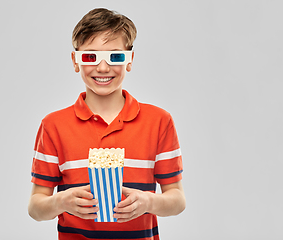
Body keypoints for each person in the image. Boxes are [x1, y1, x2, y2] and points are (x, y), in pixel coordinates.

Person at [28, 8, 186, 240]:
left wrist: (148, 201)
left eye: (115, 56)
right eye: (90, 57)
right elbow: (35, 207)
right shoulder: (53, 126)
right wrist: (60, 201)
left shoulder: (159, 122)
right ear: (75, 61)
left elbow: (177, 200)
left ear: (130, 60)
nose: (103, 68)